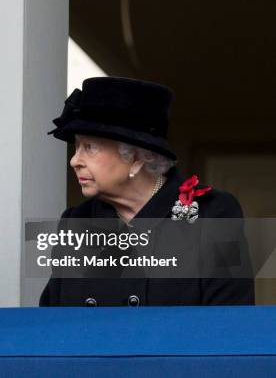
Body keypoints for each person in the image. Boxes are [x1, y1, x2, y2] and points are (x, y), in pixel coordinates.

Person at [40, 77, 254, 307]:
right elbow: (53, 324)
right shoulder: (76, 222)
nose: (74, 160)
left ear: (136, 158)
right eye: (77, 146)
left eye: (89, 147)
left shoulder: (212, 214)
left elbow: (228, 326)